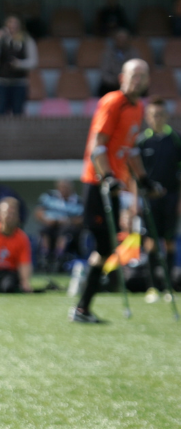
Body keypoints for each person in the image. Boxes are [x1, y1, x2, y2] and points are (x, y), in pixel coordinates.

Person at [72, 58, 159, 323]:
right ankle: (81, 306)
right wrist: (106, 176)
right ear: (122, 77)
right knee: (104, 244)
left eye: (143, 75)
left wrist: (143, 179)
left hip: (114, 184)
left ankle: (82, 307)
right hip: (97, 182)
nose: (138, 80)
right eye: (134, 75)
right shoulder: (112, 102)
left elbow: (130, 149)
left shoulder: (138, 107)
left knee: (107, 246)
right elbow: (97, 146)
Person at [136, 98, 181, 290]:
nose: (158, 118)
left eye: (161, 114)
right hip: (149, 201)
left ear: (167, 116)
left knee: (169, 241)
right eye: (154, 115)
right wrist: (134, 203)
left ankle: (169, 286)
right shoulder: (141, 141)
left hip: (171, 197)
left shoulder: (176, 139)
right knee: (151, 242)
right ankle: (153, 287)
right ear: (147, 117)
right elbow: (134, 175)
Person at [0, 15, 37, 116]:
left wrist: (19, 64)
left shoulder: (27, 40)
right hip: (0, 82)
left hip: (19, 83)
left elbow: (33, 62)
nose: (12, 26)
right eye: (10, 23)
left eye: (15, 24)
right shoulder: (0, 39)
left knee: (18, 112)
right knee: (0, 112)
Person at [34, 178, 83, 273]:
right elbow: (38, 212)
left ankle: (58, 257)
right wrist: (47, 219)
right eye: (62, 187)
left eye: (66, 188)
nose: (64, 190)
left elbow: (82, 219)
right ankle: (45, 257)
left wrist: (68, 221)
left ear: (72, 189)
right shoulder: (49, 196)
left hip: (69, 228)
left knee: (65, 231)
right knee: (45, 230)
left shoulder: (79, 201)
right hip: (51, 225)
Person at [98, 28, 140, 97]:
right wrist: (117, 81)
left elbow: (138, 70)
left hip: (130, 84)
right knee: (103, 88)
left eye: (124, 38)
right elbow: (104, 74)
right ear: (114, 39)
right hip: (112, 85)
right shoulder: (107, 53)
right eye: (119, 38)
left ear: (128, 39)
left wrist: (127, 82)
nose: (122, 40)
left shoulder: (134, 53)